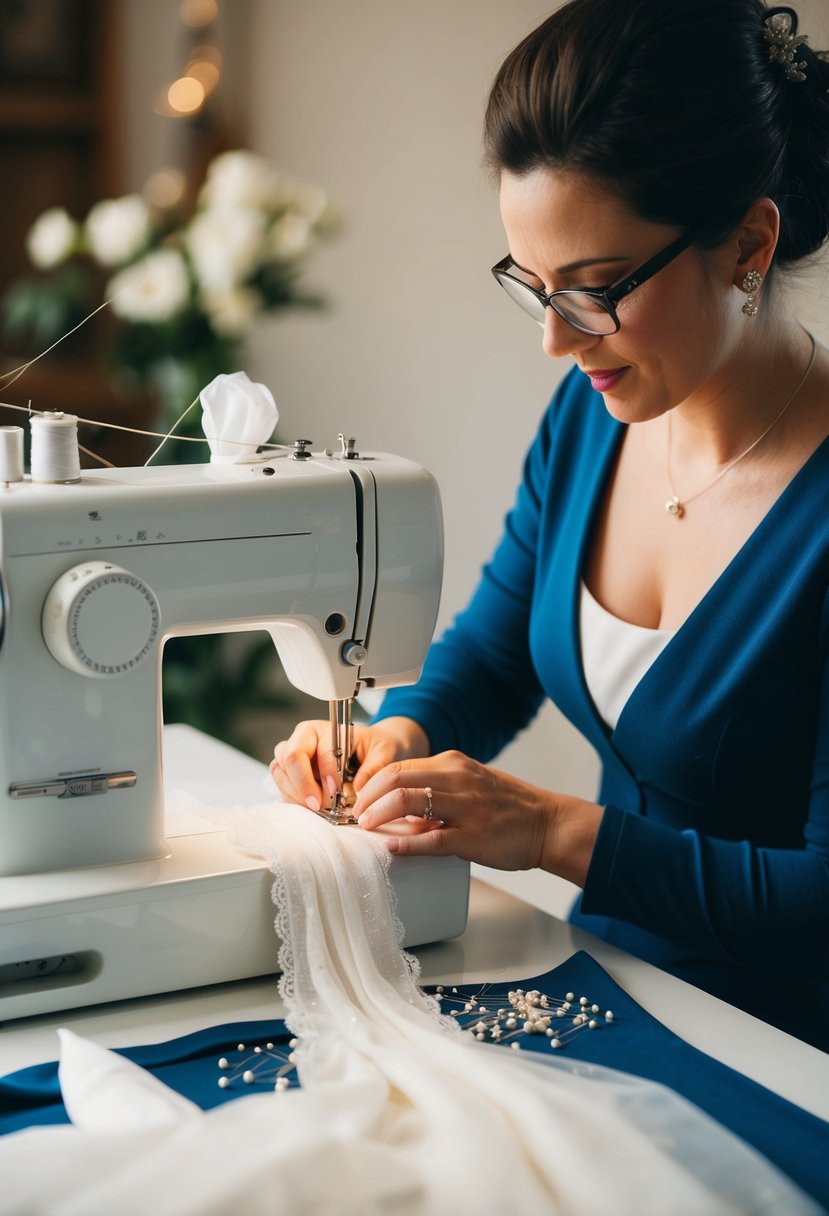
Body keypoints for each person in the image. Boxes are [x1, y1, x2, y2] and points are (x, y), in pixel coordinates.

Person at [272, 0, 829, 1050]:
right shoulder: (593, 417)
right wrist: (397, 735)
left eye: (593, 292)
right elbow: (491, 656)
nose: (556, 344)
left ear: (748, 243)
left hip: (787, 1058)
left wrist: (548, 830)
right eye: (532, 290)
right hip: (605, 988)